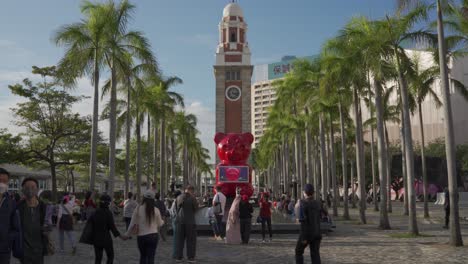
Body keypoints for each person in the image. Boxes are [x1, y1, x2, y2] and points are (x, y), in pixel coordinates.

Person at [125, 190, 164, 264]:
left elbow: (132, 223)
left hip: (141, 236)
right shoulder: (156, 210)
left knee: (143, 257)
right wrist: (163, 221)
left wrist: (127, 235)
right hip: (153, 236)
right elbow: (160, 224)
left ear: (144, 198)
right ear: (153, 199)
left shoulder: (138, 208)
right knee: (151, 257)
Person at [16, 177, 49, 264]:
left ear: (37, 189)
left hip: (39, 249)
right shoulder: (18, 207)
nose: (30, 190)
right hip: (24, 250)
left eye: (33, 187)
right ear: (22, 189)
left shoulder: (43, 206)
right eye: (27, 187)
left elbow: (47, 225)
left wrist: (46, 229)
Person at [89, 194, 127, 264]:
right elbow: (112, 228)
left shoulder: (94, 212)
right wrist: (121, 237)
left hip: (96, 239)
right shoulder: (108, 213)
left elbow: (90, 227)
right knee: (110, 256)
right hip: (106, 239)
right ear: (107, 203)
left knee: (98, 259)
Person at [295, 184, 322, 264]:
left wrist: (297, 206)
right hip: (317, 233)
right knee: (315, 254)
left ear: (304, 193)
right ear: (313, 193)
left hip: (306, 234)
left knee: (298, 251)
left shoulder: (302, 203)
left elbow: (300, 220)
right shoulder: (317, 203)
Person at [0, 168, 20, 264]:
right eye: (0, 181)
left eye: (5, 181)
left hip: (4, 250)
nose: (2, 184)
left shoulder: (11, 202)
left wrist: (8, 239)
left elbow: (15, 227)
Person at [174, 185, 199, 263]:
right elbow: (196, 209)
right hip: (190, 222)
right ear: (191, 190)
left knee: (179, 240)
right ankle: (190, 258)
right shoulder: (193, 198)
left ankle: (178, 257)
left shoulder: (178, 197)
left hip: (179, 221)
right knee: (191, 240)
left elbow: (175, 209)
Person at [169, 190, 182, 259]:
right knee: (177, 238)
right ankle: (176, 254)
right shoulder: (177, 201)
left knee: (176, 238)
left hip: (174, 220)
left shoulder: (175, 201)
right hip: (176, 221)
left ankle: (175, 253)